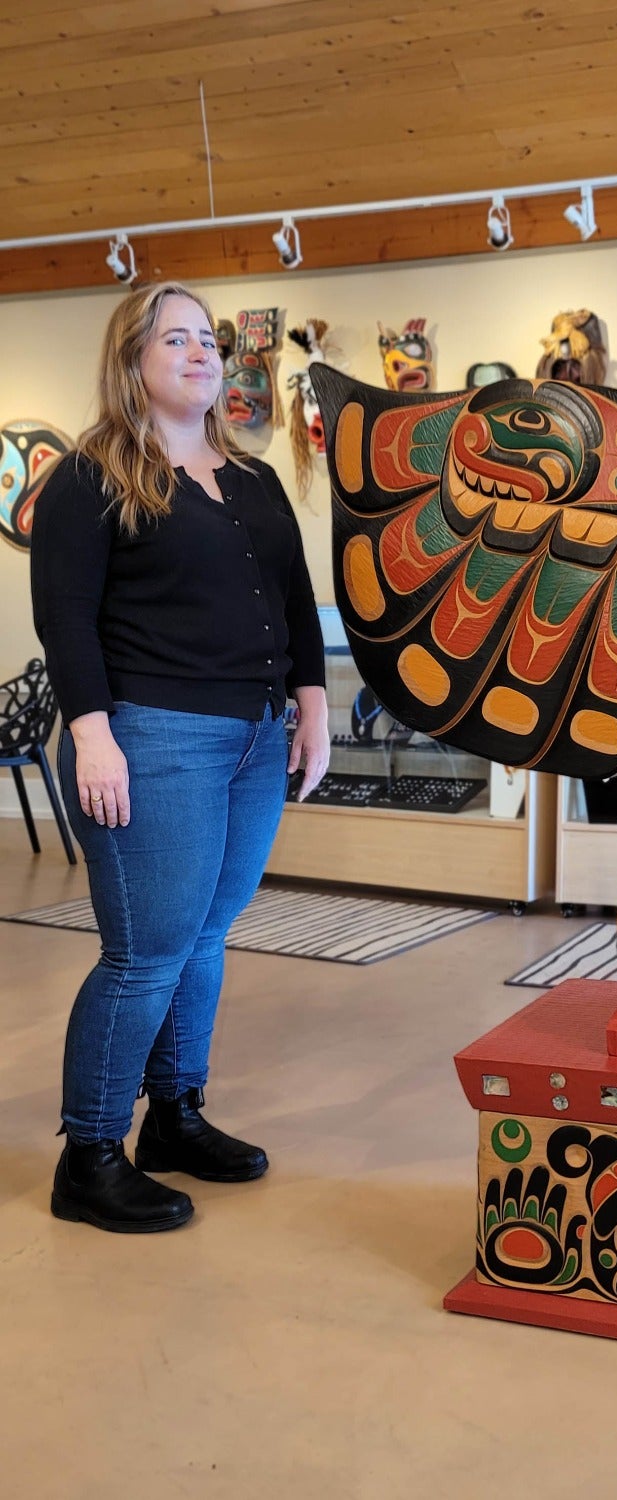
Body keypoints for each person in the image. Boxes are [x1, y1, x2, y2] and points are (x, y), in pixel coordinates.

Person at [30, 282, 331, 1234]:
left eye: (209, 339)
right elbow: (64, 617)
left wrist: (313, 707)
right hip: (151, 739)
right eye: (177, 339)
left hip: (254, 738)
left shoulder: (253, 479)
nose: (203, 353)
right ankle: (88, 1157)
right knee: (146, 953)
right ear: (132, 359)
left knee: (204, 937)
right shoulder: (90, 477)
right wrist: (91, 735)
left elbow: (294, 596)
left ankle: (175, 1116)